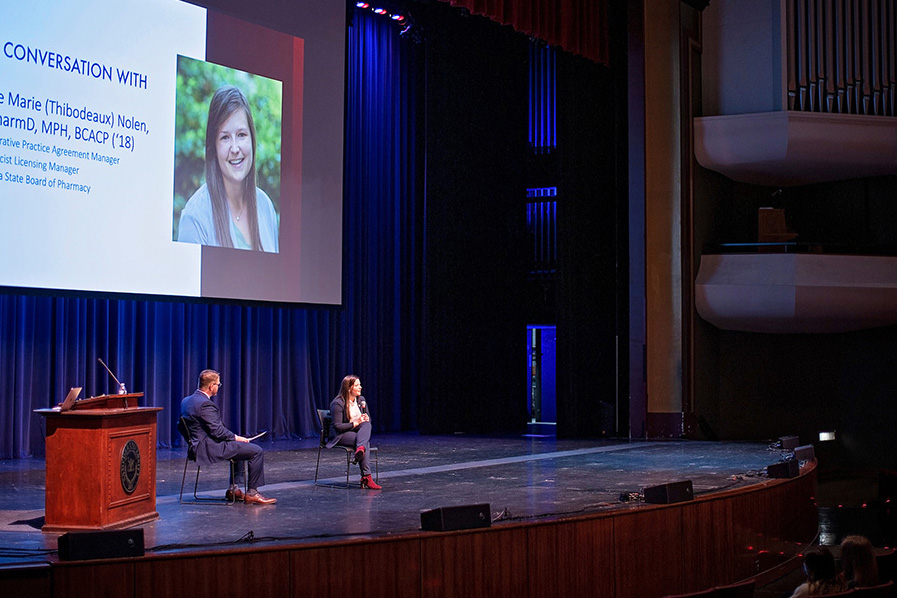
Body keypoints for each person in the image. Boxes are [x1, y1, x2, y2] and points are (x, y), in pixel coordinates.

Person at [178, 85, 279, 252]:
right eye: (225, 137)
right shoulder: (194, 217)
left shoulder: (266, 207)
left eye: (241, 135)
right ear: (214, 147)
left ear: (252, 140)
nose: (234, 148)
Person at [180, 369, 276, 504]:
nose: (218, 387)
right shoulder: (205, 404)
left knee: (240, 448)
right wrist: (237, 437)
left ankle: (233, 490)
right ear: (211, 386)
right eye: (218, 385)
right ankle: (252, 493)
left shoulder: (186, 401)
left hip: (196, 446)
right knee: (256, 451)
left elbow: (181, 425)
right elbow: (217, 432)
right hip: (208, 448)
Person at [327, 375, 381, 489]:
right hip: (340, 435)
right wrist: (355, 423)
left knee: (366, 425)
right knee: (364, 442)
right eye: (357, 385)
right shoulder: (338, 403)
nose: (360, 387)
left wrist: (365, 418)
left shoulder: (361, 400)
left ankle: (360, 451)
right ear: (349, 388)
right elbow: (337, 426)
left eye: (359, 385)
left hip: (357, 432)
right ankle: (366, 477)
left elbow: (368, 420)